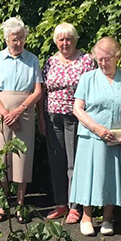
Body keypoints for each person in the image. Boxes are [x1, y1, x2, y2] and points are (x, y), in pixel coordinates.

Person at [70, 37, 121, 236]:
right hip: (92, 136)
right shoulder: (87, 78)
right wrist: (96, 128)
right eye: (99, 59)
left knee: (112, 176)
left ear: (117, 56)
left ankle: (108, 218)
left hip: (118, 138)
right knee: (90, 175)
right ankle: (87, 217)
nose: (102, 63)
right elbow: (77, 109)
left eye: (107, 59)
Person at [0, 18, 44, 222]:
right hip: (0, 112)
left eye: (21, 39)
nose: (17, 42)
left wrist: (19, 110)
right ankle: (2, 205)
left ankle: (20, 205)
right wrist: (5, 113)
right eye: (13, 39)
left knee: (22, 159)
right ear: (6, 39)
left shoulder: (32, 59)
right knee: (0, 157)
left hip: (24, 111)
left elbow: (37, 91)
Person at [41, 22, 95, 223]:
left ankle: (75, 206)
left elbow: (92, 88)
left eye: (69, 39)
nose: (65, 43)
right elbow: (43, 92)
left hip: (76, 117)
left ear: (75, 40)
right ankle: (60, 204)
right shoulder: (50, 62)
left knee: (73, 163)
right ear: (56, 42)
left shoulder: (86, 61)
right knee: (56, 162)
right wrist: (42, 120)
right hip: (52, 116)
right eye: (61, 39)